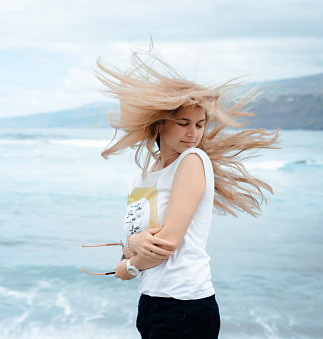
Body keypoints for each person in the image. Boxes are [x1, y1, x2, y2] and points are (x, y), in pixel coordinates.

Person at [95, 48, 279, 338]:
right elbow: (132, 245)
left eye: (200, 125)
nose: (193, 133)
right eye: (184, 124)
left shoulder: (193, 161)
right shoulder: (138, 179)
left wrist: (128, 266)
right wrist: (133, 243)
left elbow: (165, 243)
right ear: (160, 124)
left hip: (186, 304)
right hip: (152, 304)